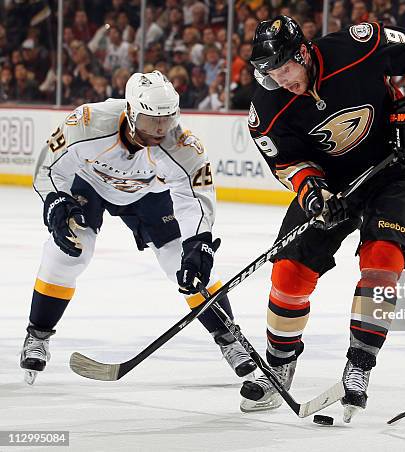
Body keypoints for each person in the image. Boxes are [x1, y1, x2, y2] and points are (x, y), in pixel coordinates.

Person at [242, 16, 405, 422]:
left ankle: (360, 367)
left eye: (284, 69)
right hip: (332, 182)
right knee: (288, 273)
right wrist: (312, 190)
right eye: (271, 74)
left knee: (383, 263)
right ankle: (279, 363)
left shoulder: (358, 46)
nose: (281, 80)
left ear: (302, 52)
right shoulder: (266, 107)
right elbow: (286, 162)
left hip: (393, 167)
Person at [20, 70, 256, 385]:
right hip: (90, 185)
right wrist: (56, 203)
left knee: (183, 264)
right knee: (71, 250)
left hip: (150, 195)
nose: (160, 130)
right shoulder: (88, 123)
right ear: (131, 113)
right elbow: (49, 167)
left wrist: (198, 243)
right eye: (150, 121)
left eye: (167, 119)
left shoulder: (184, 146)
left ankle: (229, 340)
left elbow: (194, 200)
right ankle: (37, 334)